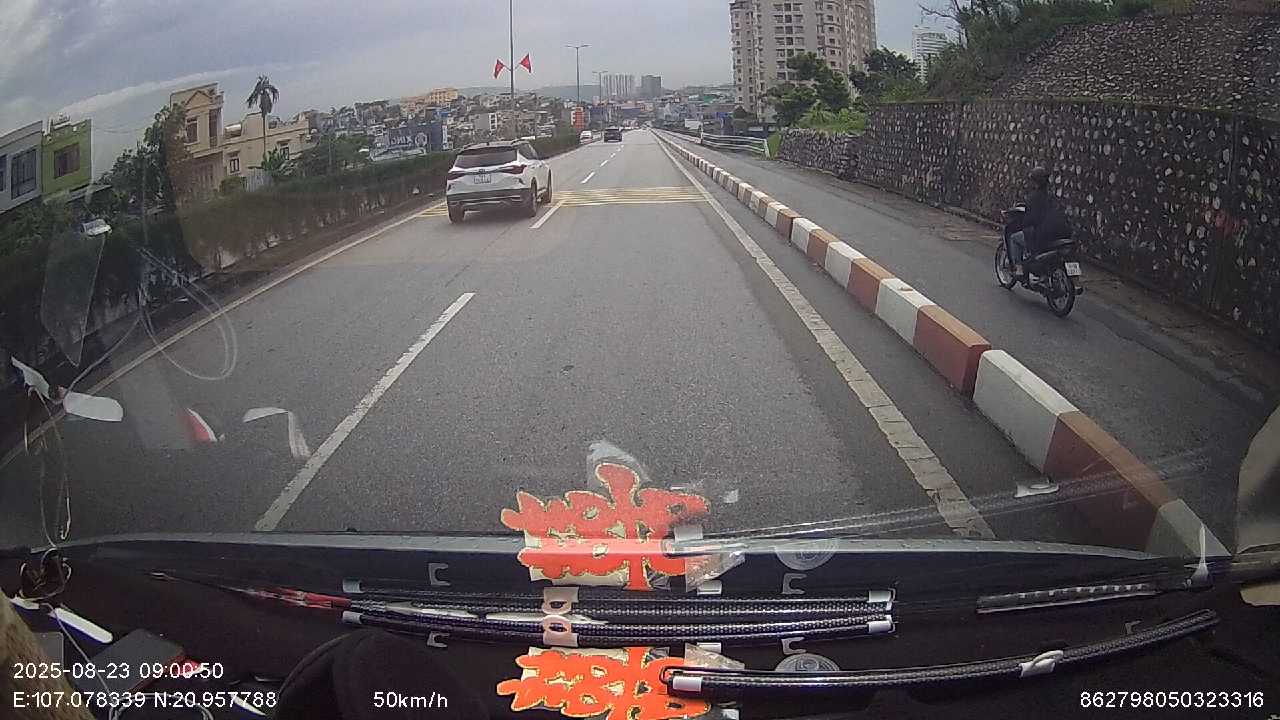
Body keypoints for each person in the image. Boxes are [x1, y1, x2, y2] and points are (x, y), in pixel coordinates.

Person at [1007, 167, 1071, 279]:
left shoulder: (1033, 198)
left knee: (1014, 238)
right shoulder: (1052, 196)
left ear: (1035, 182)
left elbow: (1030, 219)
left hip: (1042, 235)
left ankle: (1019, 269)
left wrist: (1024, 223)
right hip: (1060, 233)